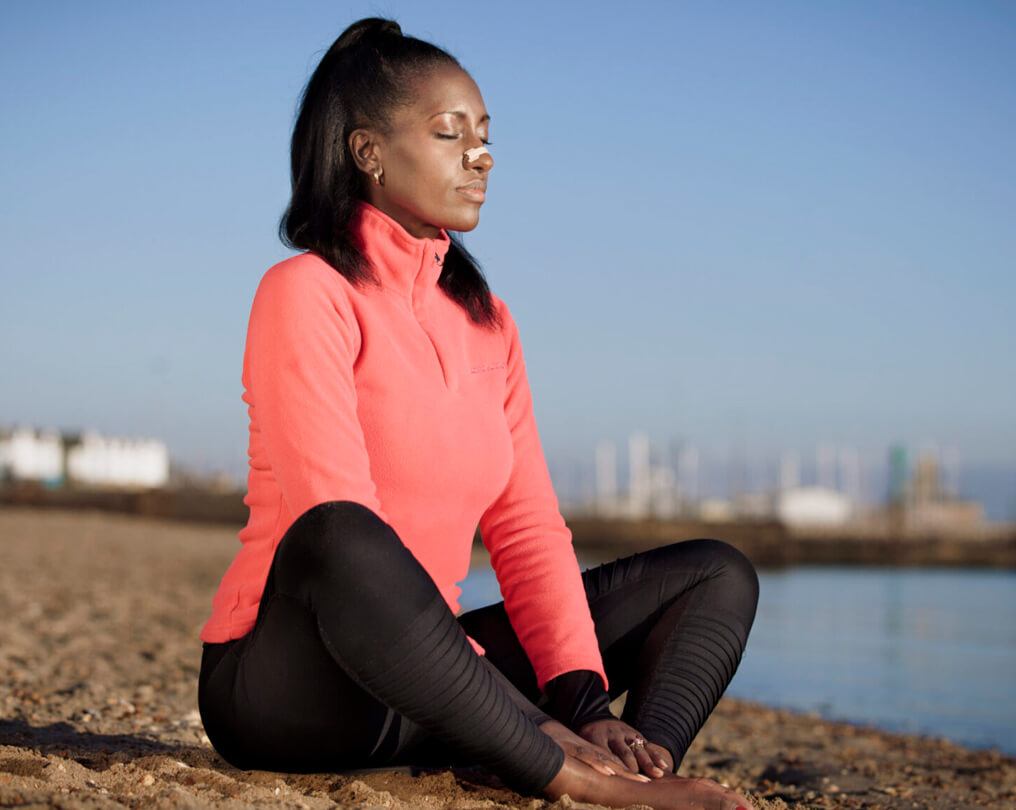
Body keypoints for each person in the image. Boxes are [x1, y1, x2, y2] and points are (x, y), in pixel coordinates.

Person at [197, 17, 759, 810]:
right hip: (292, 687)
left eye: (486, 136)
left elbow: (526, 526)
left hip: (433, 692)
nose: (482, 156)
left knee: (715, 573)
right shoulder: (307, 293)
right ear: (370, 152)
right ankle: (570, 780)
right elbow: (335, 530)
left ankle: (634, 764)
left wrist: (580, 707)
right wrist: (528, 720)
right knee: (343, 533)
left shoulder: (488, 319)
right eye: (449, 134)